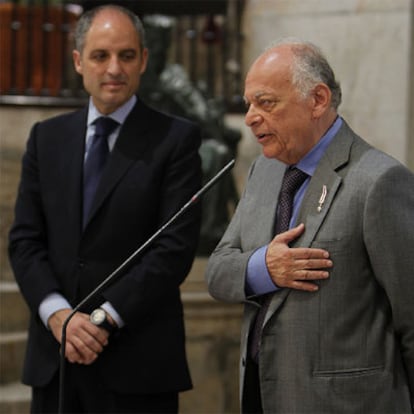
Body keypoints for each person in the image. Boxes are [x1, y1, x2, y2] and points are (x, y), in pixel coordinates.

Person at [8, 4, 202, 413]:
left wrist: (101, 321)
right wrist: (58, 316)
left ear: (143, 60)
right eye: (101, 56)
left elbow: (173, 249)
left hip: (137, 364)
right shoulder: (46, 138)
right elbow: (25, 241)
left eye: (126, 56)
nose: (114, 68)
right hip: (55, 364)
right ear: (79, 62)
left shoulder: (177, 140)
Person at [205, 38, 414, 413]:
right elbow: (218, 270)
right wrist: (263, 268)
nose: (250, 116)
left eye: (265, 103)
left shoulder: (379, 181)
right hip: (261, 397)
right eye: (249, 103)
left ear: (317, 100)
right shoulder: (263, 171)